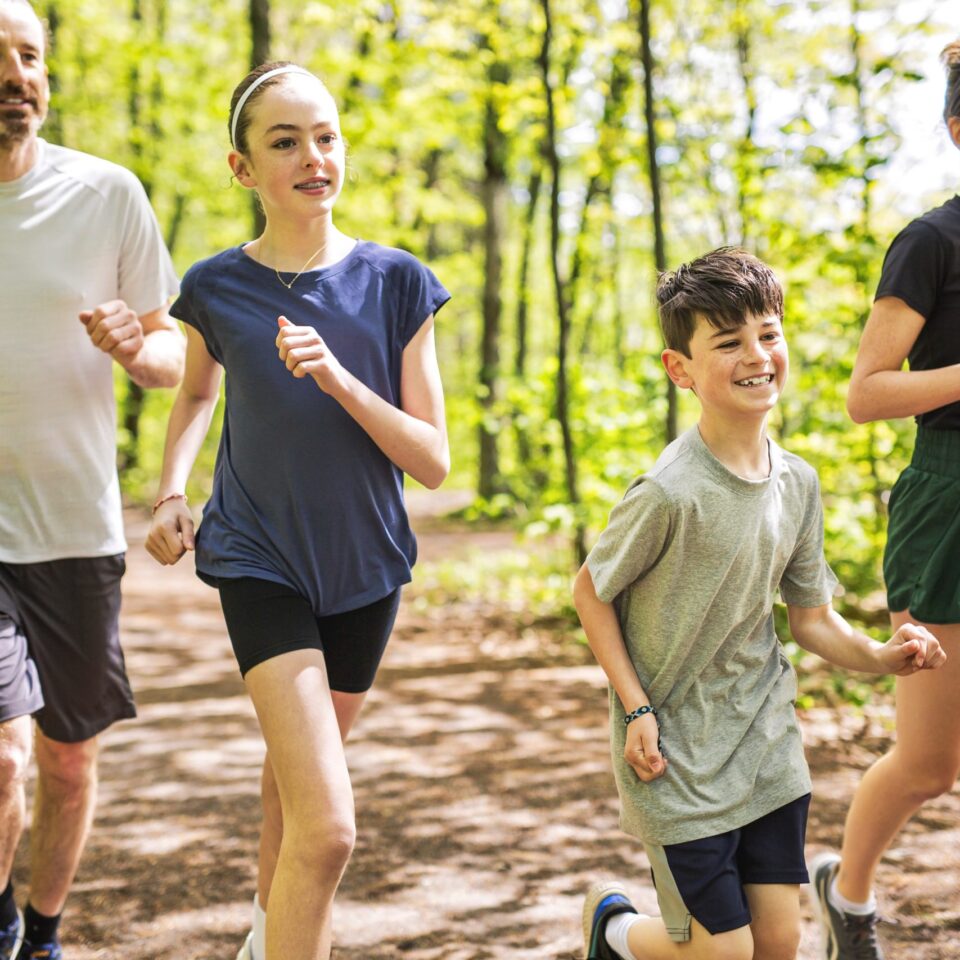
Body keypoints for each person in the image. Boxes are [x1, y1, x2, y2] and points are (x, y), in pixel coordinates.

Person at [144, 61, 449, 960]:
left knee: (294, 779)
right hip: (257, 559)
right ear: (243, 170)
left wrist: (341, 378)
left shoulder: (399, 282)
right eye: (285, 142)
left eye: (325, 136)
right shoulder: (214, 287)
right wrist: (171, 491)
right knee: (329, 829)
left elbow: (431, 460)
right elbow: (196, 394)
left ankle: (266, 936)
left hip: (365, 571)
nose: (313, 156)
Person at [573, 247, 946, 960]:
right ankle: (615, 933)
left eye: (768, 335)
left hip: (765, 744)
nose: (757, 355)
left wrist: (881, 656)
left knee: (777, 944)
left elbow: (809, 617)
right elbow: (591, 591)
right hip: (676, 755)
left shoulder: (798, 483)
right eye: (729, 342)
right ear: (679, 369)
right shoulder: (667, 492)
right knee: (723, 954)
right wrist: (636, 707)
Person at [0, 2, 184, 959]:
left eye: (28, 56)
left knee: (69, 762)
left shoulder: (106, 193)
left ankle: (43, 933)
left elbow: (173, 355)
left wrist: (134, 345)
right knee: (3, 754)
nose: (14, 75)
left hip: (73, 526)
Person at [808, 41, 960, 960]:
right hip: (949, 503)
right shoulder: (933, 241)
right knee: (934, 759)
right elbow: (866, 392)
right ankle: (849, 897)